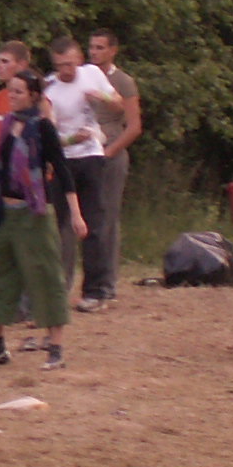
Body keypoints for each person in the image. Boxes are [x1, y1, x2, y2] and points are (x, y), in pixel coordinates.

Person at [0, 67, 84, 369]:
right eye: (10, 90)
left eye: (18, 91)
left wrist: (76, 214)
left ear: (33, 96)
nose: (12, 96)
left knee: (45, 277)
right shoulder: (9, 124)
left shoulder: (43, 127)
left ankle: (55, 349)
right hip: (4, 213)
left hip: (34, 213)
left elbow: (62, 169)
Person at [38, 37, 121, 309]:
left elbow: (118, 104)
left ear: (79, 60)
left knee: (94, 223)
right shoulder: (49, 88)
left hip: (91, 156)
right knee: (60, 225)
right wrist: (71, 140)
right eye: (60, 65)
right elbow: (48, 134)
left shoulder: (92, 74)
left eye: (70, 64)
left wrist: (102, 97)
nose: (66, 70)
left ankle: (96, 291)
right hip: (64, 160)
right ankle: (56, 288)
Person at [83, 30, 142, 305]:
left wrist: (109, 152)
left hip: (110, 151)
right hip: (83, 150)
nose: (94, 52)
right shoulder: (82, 76)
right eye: (91, 47)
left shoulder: (122, 82)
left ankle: (106, 283)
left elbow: (134, 126)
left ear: (112, 50)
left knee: (106, 217)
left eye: (100, 47)